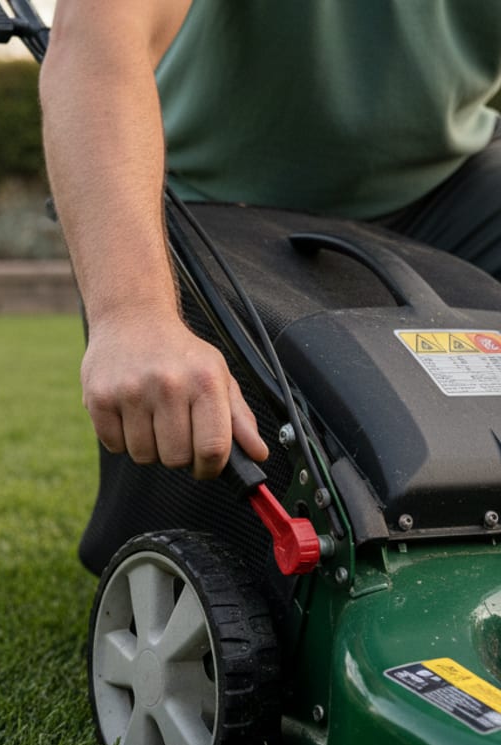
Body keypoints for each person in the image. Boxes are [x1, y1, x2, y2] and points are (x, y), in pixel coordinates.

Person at [39, 0, 501, 480]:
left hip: (453, 188)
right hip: (212, 205)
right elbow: (99, 35)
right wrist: (133, 314)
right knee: (241, 484)